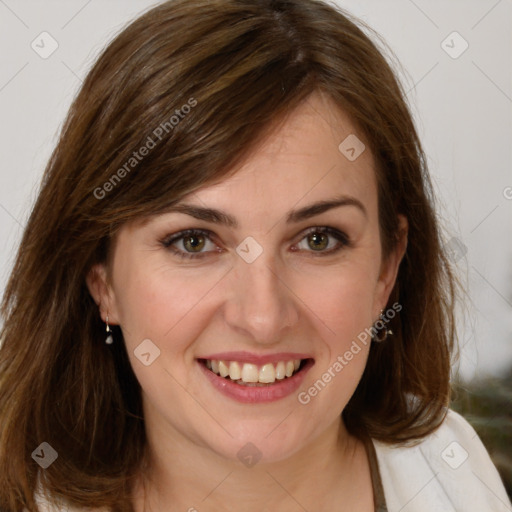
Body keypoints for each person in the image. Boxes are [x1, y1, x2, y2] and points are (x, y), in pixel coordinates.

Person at [0, 0, 510, 511]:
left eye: (318, 239)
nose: (263, 318)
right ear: (101, 279)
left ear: (387, 268)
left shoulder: (454, 472)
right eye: (194, 242)